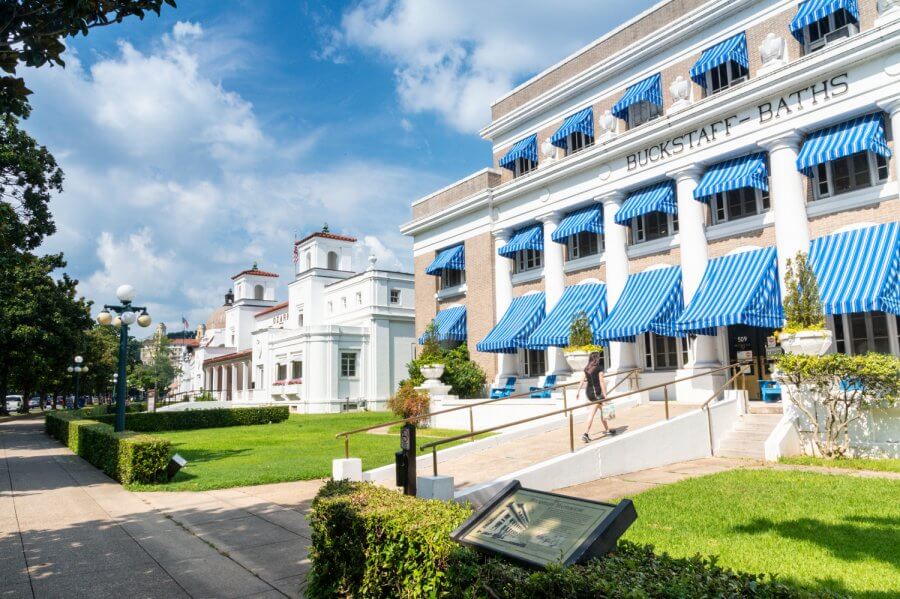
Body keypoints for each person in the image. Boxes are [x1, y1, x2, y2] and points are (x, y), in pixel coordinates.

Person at [576, 351, 615, 442]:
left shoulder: (586, 368)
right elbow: (602, 382)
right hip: (597, 393)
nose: (599, 358)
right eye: (598, 357)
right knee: (594, 412)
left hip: (589, 392)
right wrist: (605, 395)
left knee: (603, 409)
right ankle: (585, 433)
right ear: (597, 358)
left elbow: (582, 381)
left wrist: (577, 392)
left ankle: (607, 430)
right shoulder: (599, 368)